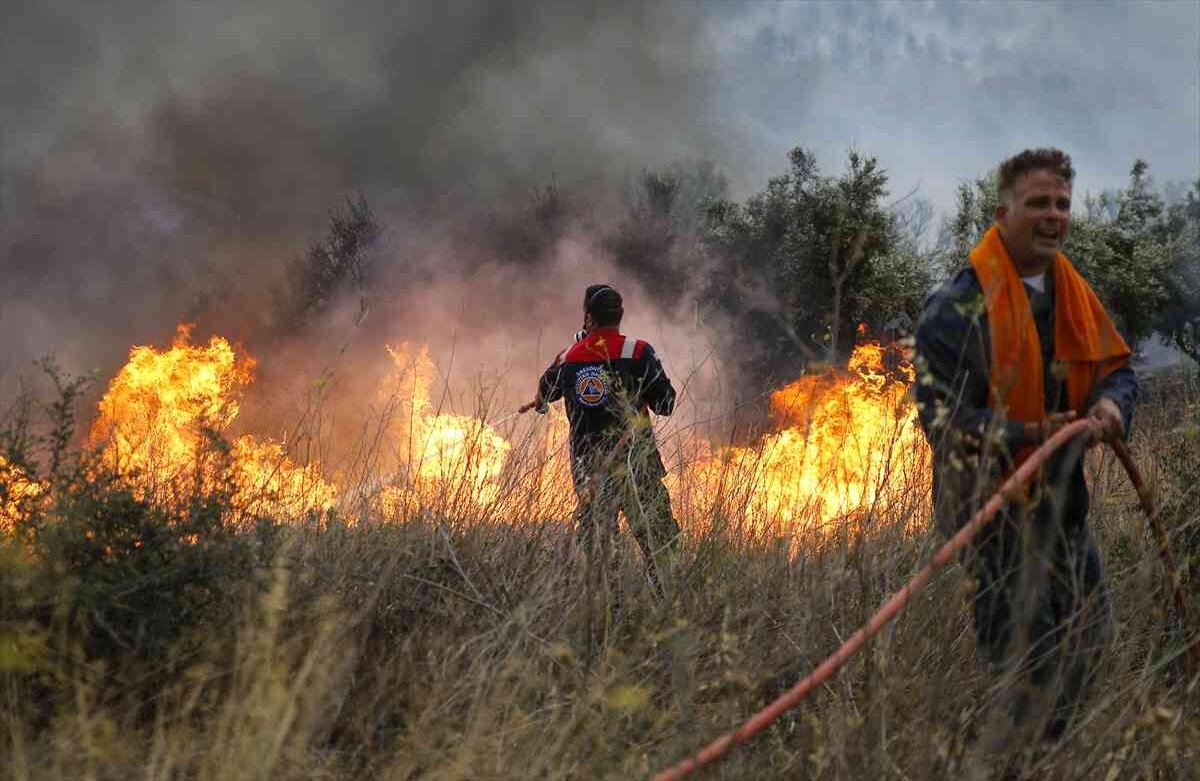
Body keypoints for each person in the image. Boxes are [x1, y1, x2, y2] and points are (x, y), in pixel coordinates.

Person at [914, 149, 1138, 750]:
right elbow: (941, 419)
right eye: (1038, 203)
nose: (1053, 216)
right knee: (1027, 665)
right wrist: (1031, 435)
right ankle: (1014, 761)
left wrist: (1113, 406)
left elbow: (1117, 370)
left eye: (1062, 204)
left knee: (1088, 642)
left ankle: (1050, 754)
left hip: (1064, 512)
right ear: (1003, 211)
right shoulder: (956, 308)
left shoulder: (1074, 295)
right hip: (991, 517)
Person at [520, 284, 680, 599]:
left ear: (588, 318)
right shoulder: (638, 351)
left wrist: (541, 400)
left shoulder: (568, 357)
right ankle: (665, 604)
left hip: (587, 467)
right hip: (639, 464)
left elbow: (546, 394)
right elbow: (666, 404)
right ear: (619, 316)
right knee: (659, 540)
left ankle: (609, 611)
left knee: (600, 546)